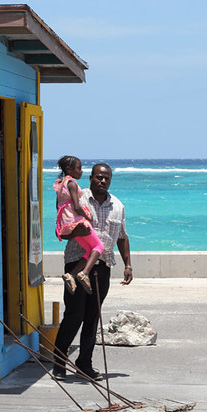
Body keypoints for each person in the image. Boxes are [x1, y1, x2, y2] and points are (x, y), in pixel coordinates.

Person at [53, 162, 132, 380]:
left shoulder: (118, 206)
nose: (103, 181)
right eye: (99, 177)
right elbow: (62, 226)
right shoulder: (76, 195)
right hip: (77, 263)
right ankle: (58, 363)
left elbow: (122, 237)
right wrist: (72, 232)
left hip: (103, 265)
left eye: (106, 178)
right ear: (90, 178)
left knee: (92, 318)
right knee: (74, 314)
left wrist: (128, 264)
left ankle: (84, 364)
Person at [53, 155, 104, 295]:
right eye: (79, 168)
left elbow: (59, 206)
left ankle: (72, 275)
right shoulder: (72, 183)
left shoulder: (61, 184)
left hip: (67, 223)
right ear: (69, 169)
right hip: (77, 222)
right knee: (99, 247)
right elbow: (76, 206)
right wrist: (89, 216)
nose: (81, 171)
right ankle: (85, 273)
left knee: (89, 250)